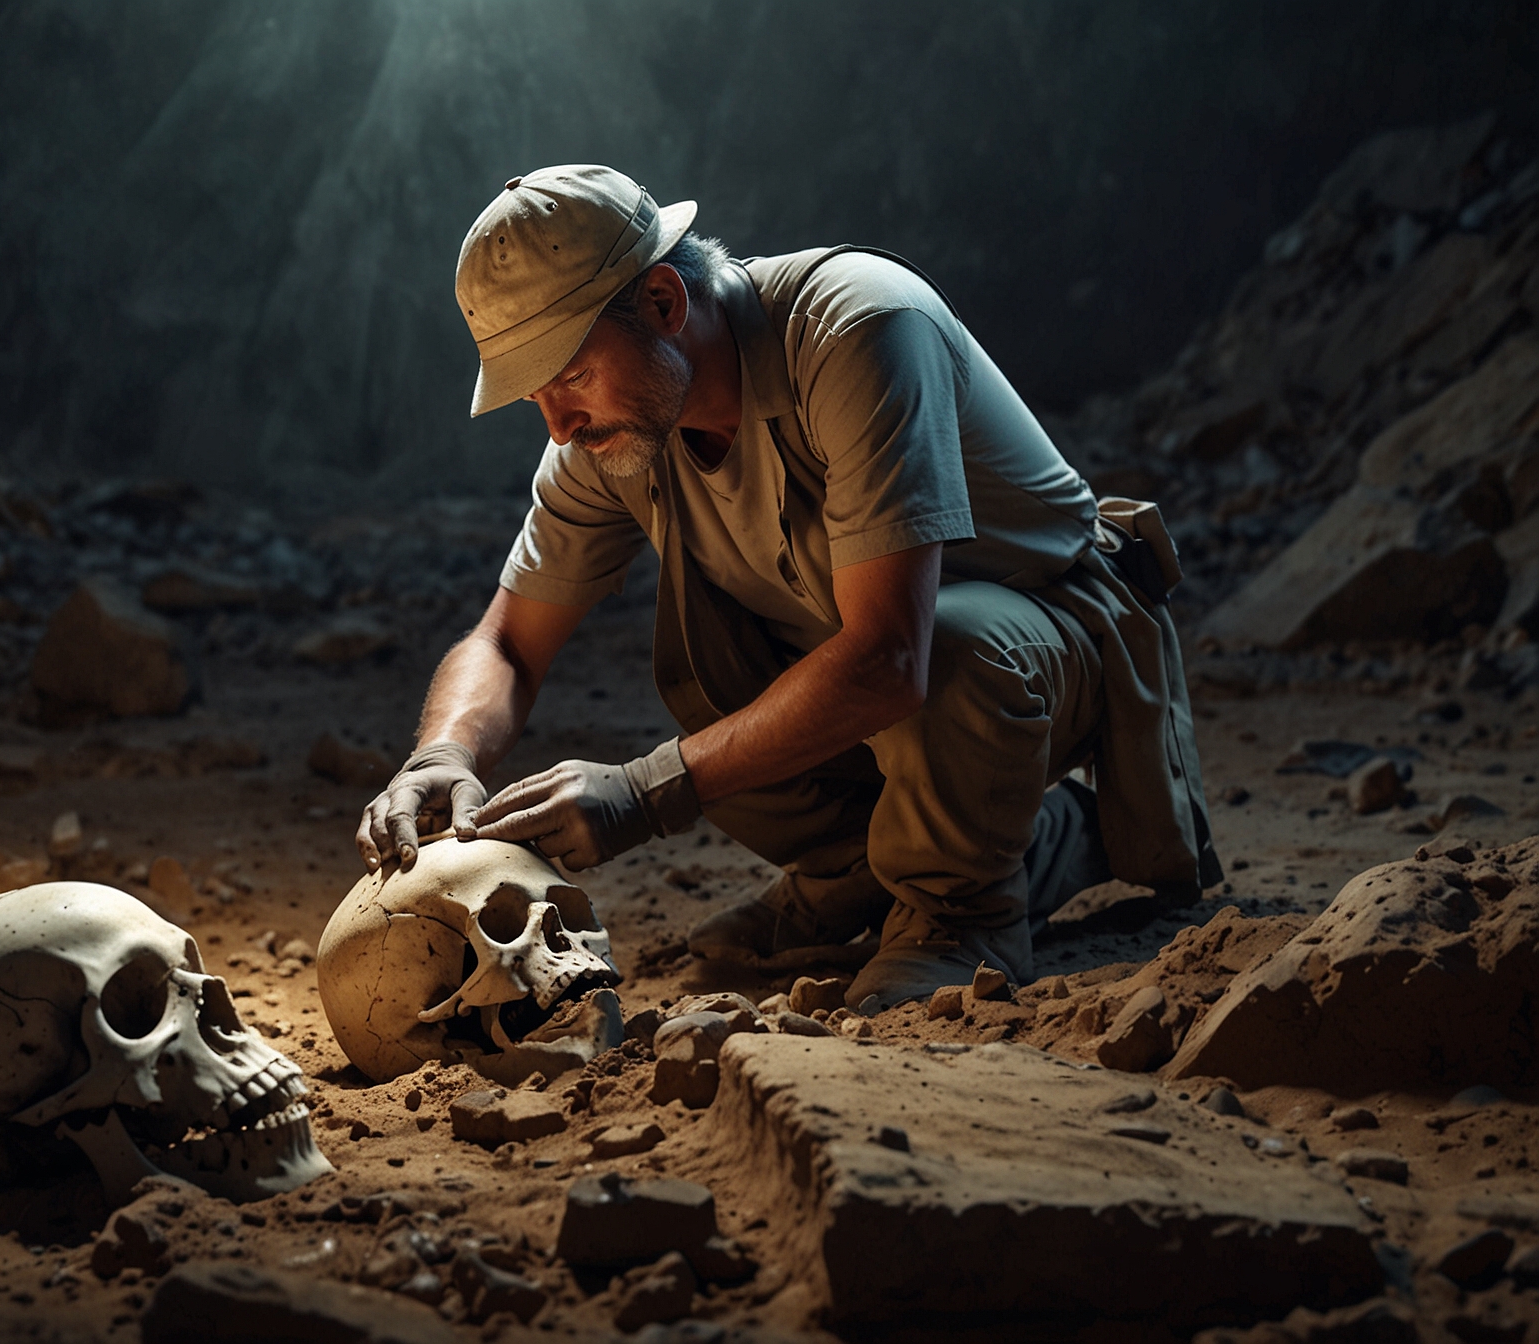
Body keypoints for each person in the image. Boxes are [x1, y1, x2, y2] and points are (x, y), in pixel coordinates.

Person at [357, 164, 1220, 1013]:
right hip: (887, 675)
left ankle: (962, 915)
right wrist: (445, 752)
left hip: (1053, 637)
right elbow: (507, 642)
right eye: (534, 394)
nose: (558, 423)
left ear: (663, 302)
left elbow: (890, 655)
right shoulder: (611, 442)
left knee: (946, 649)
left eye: (572, 375)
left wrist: (646, 790)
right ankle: (867, 875)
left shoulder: (858, 327)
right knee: (710, 662)